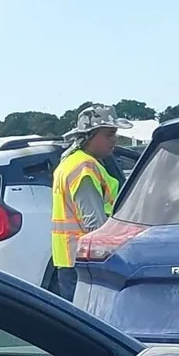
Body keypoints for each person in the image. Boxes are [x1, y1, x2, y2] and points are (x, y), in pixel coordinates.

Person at [48, 106, 122, 301]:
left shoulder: (71, 162)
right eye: (109, 134)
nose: (114, 139)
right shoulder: (84, 167)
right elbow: (94, 223)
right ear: (90, 136)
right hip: (85, 262)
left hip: (70, 259)